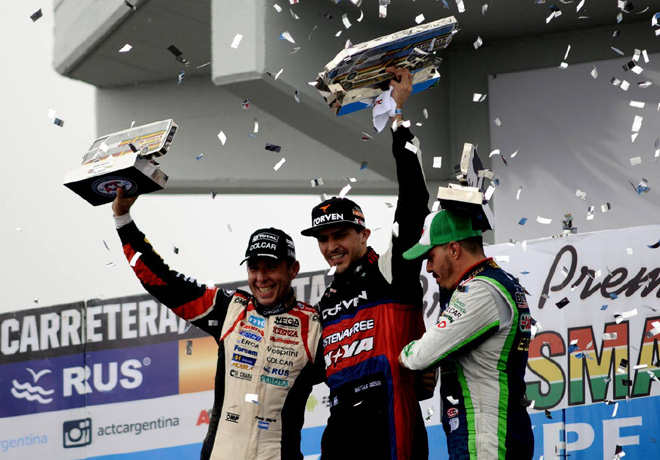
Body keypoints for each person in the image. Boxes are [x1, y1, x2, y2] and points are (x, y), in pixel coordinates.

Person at [112, 188, 323, 460]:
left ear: (293, 270)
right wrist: (122, 218)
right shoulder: (228, 308)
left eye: (270, 267)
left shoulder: (314, 325)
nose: (261, 278)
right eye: (253, 268)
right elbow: (162, 282)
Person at [300, 67, 431, 460]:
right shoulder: (324, 304)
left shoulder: (389, 270)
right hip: (339, 432)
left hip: (391, 424)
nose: (331, 247)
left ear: (364, 234)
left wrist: (397, 117)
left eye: (340, 235)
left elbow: (414, 204)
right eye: (323, 239)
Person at [398, 209, 534, 460]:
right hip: (495, 428)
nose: (428, 268)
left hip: (487, 436)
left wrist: (400, 353)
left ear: (453, 249)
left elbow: (421, 356)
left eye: (431, 257)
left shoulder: (480, 290)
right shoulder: (497, 280)